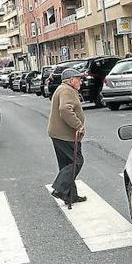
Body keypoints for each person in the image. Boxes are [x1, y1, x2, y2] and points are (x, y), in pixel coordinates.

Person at [48, 68, 86, 206]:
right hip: (65, 135)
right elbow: (65, 109)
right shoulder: (67, 90)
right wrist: (78, 125)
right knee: (77, 162)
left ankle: (70, 195)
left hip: (58, 134)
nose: (80, 81)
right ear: (71, 80)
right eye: (78, 78)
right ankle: (60, 189)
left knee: (66, 164)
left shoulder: (62, 88)